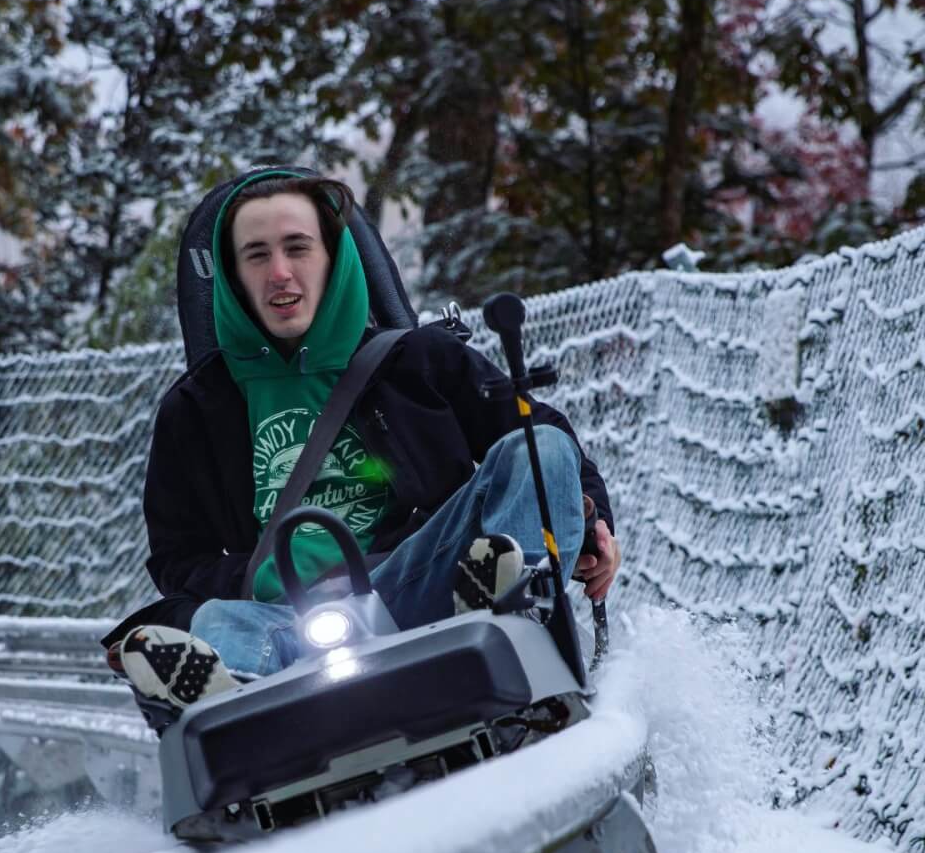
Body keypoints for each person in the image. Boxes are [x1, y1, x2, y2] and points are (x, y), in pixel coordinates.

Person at [110, 170, 620, 709]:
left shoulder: (420, 360)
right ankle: (236, 704)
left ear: (333, 257)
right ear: (233, 275)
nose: (279, 272)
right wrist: (254, 580)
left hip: (423, 582)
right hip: (284, 617)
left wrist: (595, 526)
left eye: (297, 248)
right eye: (256, 255)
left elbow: (545, 449)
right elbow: (177, 555)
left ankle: (508, 612)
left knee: (541, 445)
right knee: (217, 618)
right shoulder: (194, 408)